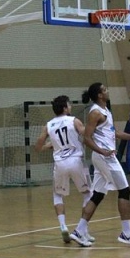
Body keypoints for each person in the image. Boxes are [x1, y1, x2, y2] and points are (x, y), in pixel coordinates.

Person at [69, 82, 130, 248]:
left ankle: (79, 231)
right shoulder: (95, 112)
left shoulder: (105, 111)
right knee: (124, 190)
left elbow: (114, 133)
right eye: (104, 89)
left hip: (103, 157)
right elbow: (86, 138)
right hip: (105, 157)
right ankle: (126, 233)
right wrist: (102, 151)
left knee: (98, 194)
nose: (107, 91)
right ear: (99, 95)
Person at [35, 95, 94, 244]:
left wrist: (52, 145)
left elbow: (38, 147)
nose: (70, 106)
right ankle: (82, 230)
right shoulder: (74, 121)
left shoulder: (48, 125)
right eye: (69, 104)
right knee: (88, 194)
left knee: (57, 195)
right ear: (64, 108)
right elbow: (87, 134)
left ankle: (63, 226)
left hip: (60, 163)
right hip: (76, 161)